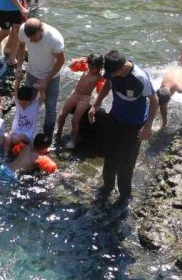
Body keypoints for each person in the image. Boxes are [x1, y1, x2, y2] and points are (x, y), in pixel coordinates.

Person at [88, 51, 157, 204]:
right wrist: (96, 104)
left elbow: (154, 100)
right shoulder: (112, 71)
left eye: (115, 74)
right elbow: (107, 84)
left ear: (123, 67)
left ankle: (125, 195)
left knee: (126, 163)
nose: (113, 76)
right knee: (110, 156)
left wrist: (148, 126)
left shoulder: (140, 77)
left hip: (134, 125)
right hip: (115, 118)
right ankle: (107, 188)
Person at [18, 18, 66, 137]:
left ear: (41, 30)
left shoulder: (54, 39)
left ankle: (47, 138)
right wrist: (19, 67)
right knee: (26, 102)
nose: (31, 41)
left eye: (33, 38)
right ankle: (25, 131)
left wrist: (46, 80)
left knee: (50, 108)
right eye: (29, 38)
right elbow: (21, 46)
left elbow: (60, 61)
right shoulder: (23, 30)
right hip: (31, 73)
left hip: (52, 77)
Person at [55, 54, 105, 146]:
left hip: (85, 98)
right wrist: (78, 59)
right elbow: (70, 66)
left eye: (94, 67)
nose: (92, 69)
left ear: (99, 67)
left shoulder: (99, 76)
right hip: (75, 94)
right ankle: (59, 132)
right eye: (90, 66)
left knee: (74, 120)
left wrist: (97, 104)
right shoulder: (86, 68)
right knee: (62, 115)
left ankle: (73, 140)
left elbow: (104, 87)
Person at [4, 78, 40, 154]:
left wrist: (41, 89)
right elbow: (16, 90)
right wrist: (18, 79)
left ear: (30, 101)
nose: (21, 105)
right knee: (6, 137)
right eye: (20, 103)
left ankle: (30, 150)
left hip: (27, 134)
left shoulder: (35, 105)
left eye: (24, 103)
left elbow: (43, 98)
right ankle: (5, 156)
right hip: (15, 131)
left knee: (16, 139)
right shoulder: (18, 103)